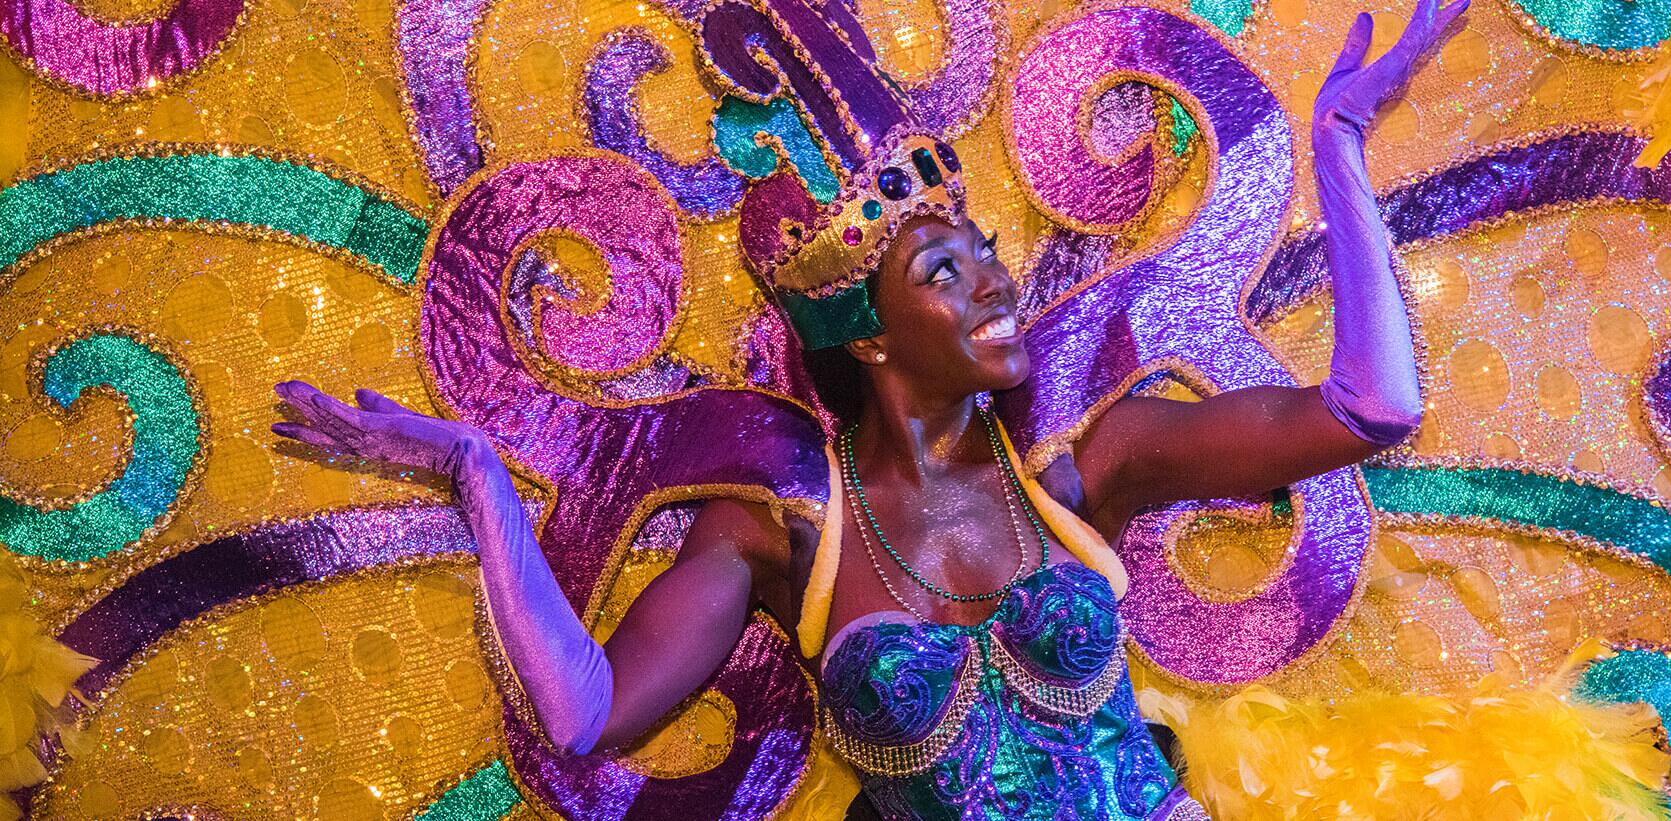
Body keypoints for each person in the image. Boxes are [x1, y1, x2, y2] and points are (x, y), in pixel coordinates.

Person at [270, 1, 1467, 817]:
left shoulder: (1092, 467)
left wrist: (1341, 144)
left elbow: (1371, 407)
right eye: (945, 271)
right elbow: (585, 714)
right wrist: (480, 478)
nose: (995, 281)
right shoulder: (778, 530)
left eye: (984, 250)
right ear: (875, 334)